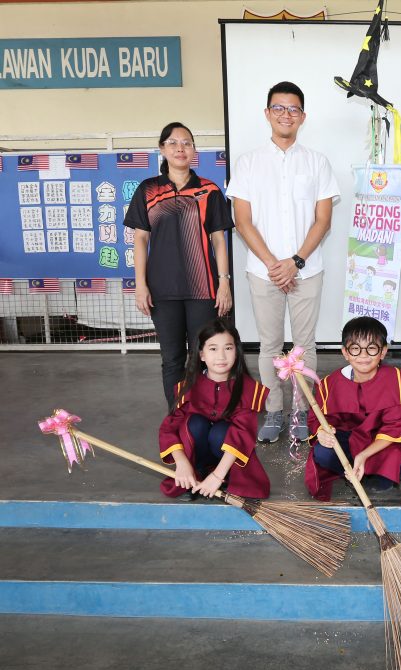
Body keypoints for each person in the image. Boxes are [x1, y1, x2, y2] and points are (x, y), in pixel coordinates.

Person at [227, 81, 340, 444]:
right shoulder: (248, 162)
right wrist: (275, 264)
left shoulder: (317, 161)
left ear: (303, 117)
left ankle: (302, 413)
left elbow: (323, 219)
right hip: (263, 273)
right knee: (270, 346)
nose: (286, 114)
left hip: (307, 269)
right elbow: (242, 220)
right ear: (267, 113)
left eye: (293, 109)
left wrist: (295, 261)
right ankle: (274, 411)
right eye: (279, 108)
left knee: (304, 345)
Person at [125, 122, 233, 407]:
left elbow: (219, 240)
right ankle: (178, 416)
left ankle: (205, 414)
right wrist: (140, 285)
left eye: (186, 142)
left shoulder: (209, 190)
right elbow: (139, 240)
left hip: (203, 289)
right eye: (173, 143)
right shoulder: (148, 190)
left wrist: (224, 282)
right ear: (162, 149)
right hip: (162, 290)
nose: (180, 148)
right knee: (172, 359)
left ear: (194, 149)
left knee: (205, 356)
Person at [305, 317, 401, 501]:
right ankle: (353, 469)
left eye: (372, 348)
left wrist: (364, 455)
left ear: (383, 352)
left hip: (380, 442)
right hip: (348, 439)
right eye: (355, 348)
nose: (363, 355)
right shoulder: (330, 383)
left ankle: (362, 468)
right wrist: (321, 431)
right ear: (345, 352)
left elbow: (395, 426)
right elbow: (317, 417)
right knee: (323, 453)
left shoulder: (397, 381)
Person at [158, 319, 270, 501]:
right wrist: (182, 463)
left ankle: (226, 477)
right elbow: (168, 429)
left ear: (237, 351)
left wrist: (218, 475)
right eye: (213, 349)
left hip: (230, 460)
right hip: (196, 456)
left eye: (228, 348)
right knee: (194, 424)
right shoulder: (188, 387)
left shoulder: (249, 389)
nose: (221, 356)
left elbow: (242, 433)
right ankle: (195, 473)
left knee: (221, 431)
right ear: (201, 355)